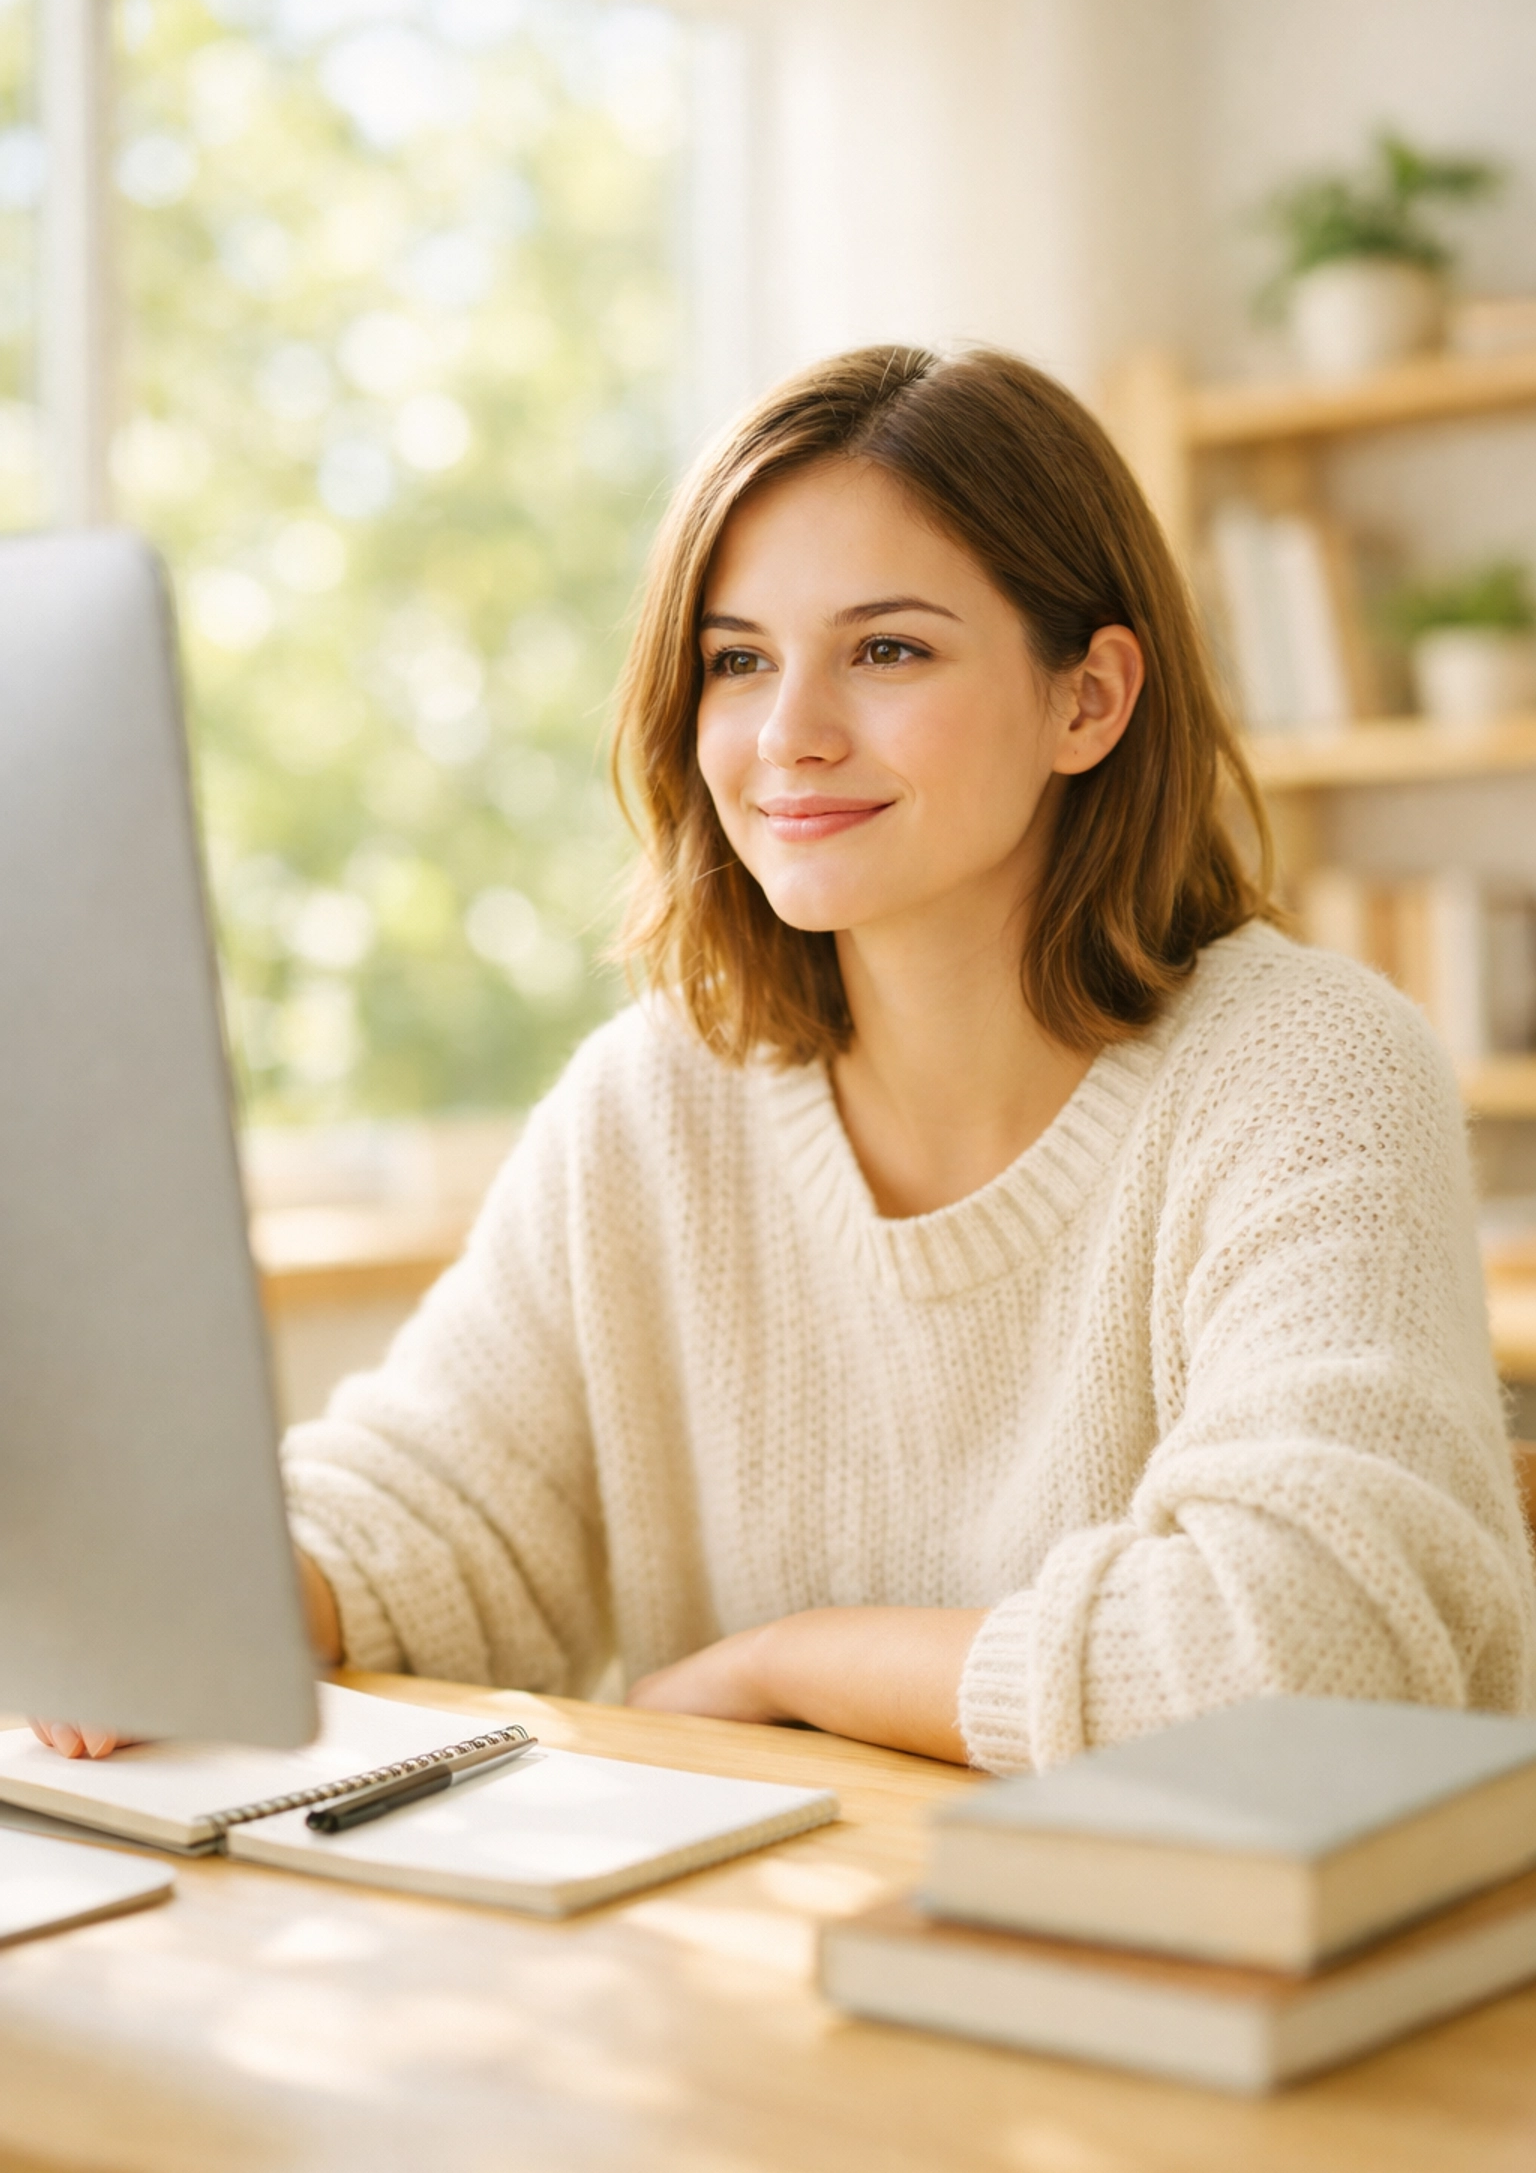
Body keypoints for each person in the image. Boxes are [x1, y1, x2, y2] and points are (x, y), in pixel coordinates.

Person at [36, 344, 1536, 1771]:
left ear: (1089, 697)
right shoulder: (656, 1104)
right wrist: (156, 1611)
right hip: (781, 1971)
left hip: (1227, 1992)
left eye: (887, 648)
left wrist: (787, 1664)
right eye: (737, 662)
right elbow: (430, 1513)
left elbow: (1302, 1656)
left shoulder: (1309, 1071)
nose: (788, 735)